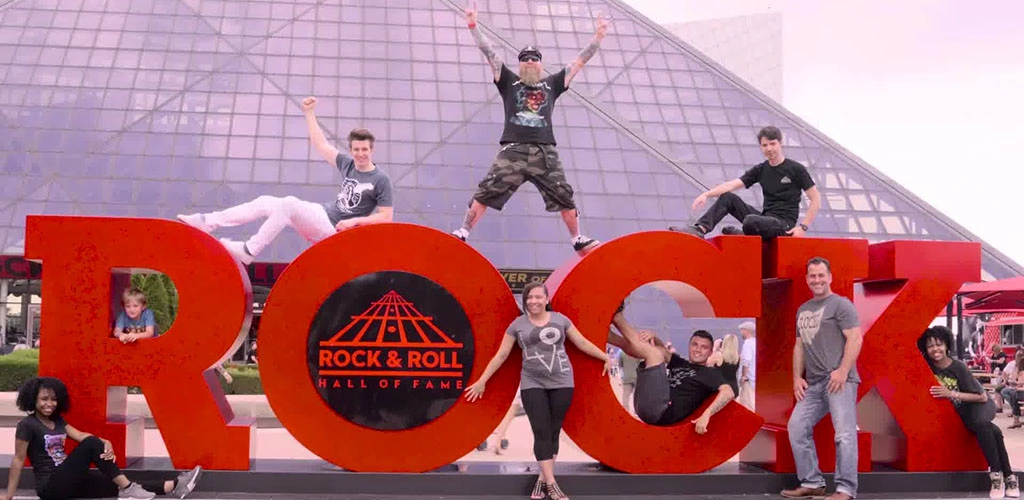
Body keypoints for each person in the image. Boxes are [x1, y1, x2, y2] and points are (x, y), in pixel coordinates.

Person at [449, 6, 608, 256]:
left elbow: (580, 61)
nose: (530, 62)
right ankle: (463, 232)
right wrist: (473, 26)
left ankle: (577, 239)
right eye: (525, 59)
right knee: (487, 190)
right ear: (520, 63)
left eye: (534, 58)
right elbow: (488, 52)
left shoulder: (553, 83)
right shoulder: (508, 81)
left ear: (541, 63)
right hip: (513, 150)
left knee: (564, 195)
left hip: (545, 151)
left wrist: (598, 37)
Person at [177, 96, 393, 264]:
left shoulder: (380, 179)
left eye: (364, 149)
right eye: (356, 149)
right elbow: (321, 145)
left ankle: (249, 250)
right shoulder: (348, 164)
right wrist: (309, 113)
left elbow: (386, 217)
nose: (360, 154)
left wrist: (355, 221)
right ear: (352, 149)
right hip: (322, 214)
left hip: (334, 230)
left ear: (371, 150)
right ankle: (207, 221)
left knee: (289, 203)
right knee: (266, 201)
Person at [464, 282, 612, 500]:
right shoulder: (517, 325)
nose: (533, 301)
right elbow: (502, 355)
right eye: (529, 298)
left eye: (537, 297)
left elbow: (580, 342)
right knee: (541, 431)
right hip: (532, 383)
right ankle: (552, 484)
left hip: (562, 382)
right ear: (525, 301)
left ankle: (541, 480)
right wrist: (482, 380)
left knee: (553, 432)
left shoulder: (561, 320)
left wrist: (605, 356)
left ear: (546, 298)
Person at [2, 377, 202, 500]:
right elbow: (19, 459)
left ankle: (175, 487)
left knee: (116, 482)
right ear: (33, 400)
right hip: (50, 486)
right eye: (44, 399)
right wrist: (9, 495)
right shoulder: (27, 425)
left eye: (54, 399)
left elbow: (81, 436)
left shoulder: (58, 421)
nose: (50, 403)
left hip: (68, 481)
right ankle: (129, 489)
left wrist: (106, 441)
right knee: (95, 450)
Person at [782, 257, 863, 500]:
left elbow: (855, 338)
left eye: (821, 275)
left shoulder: (841, 305)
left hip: (840, 380)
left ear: (830, 277)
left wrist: (842, 370)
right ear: (807, 279)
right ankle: (812, 482)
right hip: (815, 384)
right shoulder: (803, 309)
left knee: (844, 434)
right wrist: (797, 378)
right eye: (812, 276)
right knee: (796, 427)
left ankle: (846, 490)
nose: (817, 280)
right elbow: (799, 347)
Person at [919, 326, 1019, 499]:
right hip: (961, 412)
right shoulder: (926, 366)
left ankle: (996, 476)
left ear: (947, 345)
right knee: (994, 431)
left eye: (939, 344)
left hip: (979, 406)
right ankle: (1009, 477)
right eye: (930, 346)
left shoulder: (958, 367)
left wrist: (951, 394)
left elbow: (981, 397)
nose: (935, 349)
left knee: (981, 425)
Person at [670, 126, 821, 239]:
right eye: (765, 145)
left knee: (751, 221)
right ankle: (700, 229)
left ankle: (744, 234)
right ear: (761, 147)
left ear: (780, 144)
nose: (769, 148)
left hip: (783, 225)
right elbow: (731, 185)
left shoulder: (795, 169)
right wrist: (706, 194)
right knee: (728, 197)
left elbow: (816, 199)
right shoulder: (761, 170)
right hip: (764, 219)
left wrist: (803, 227)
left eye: (772, 144)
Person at [608, 309, 735, 431]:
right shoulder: (681, 363)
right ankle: (609, 336)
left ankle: (618, 318)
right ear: (689, 345)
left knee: (654, 355)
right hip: (645, 402)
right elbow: (662, 350)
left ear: (710, 352)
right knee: (653, 352)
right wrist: (654, 336)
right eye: (695, 344)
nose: (698, 350)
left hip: (661, 412)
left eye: (704, 347)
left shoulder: (710, 373)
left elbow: (728, 392)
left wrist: (707, 414)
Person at [1000, 351, 1024, 429]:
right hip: (1018, 389)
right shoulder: (1015, 366)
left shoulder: (1021, 370)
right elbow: (1014, 379)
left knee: (1014, 394)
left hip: (1020, 390)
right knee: (1009, 392)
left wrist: (1017, 384)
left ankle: (1016, 419)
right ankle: (1016, 418)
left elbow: (1020, 382)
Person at [738, 321, 757, 411]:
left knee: (748, 404)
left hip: (749, 379)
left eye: (741, 330)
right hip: (756, 378)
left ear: (746, 330)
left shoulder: (747, 343)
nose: (740, 332)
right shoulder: (756, 342)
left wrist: (743, 376)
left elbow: (746, 361)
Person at [619, 349, 642, 416]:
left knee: (625, 397)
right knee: (636, 397)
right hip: (637, 377)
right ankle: (636, 412)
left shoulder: (622, 353)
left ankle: (626, 412)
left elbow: (621, 365)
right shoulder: (637, 352)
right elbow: (641, 364)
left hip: (627, 377)